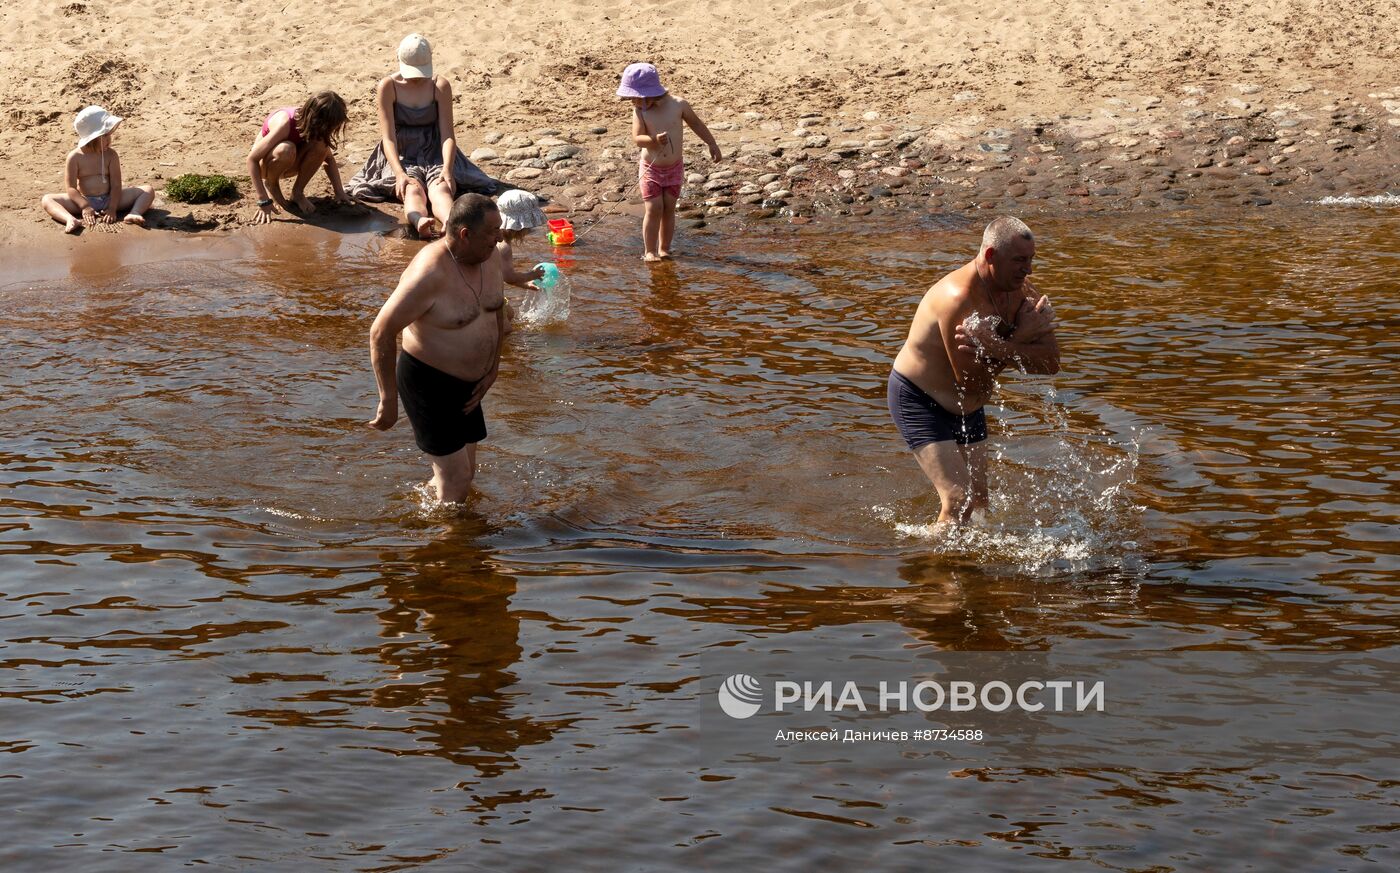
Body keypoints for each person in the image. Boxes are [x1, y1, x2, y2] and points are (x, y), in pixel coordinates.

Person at [889, 217, 1060, 525]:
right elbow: (971, 382)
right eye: (1020, 260)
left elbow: (1050, 363)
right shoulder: (959, 299)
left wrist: (998, 346)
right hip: (919, 398)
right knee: (957, 501)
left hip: (969, 407)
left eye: (1031, 259)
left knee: (979, 502)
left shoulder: (1021, 290)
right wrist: (1018, 339)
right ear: (991, 256)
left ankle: (972, 566)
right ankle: (932, 567)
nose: (1029, 270)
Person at [369, 193, 507, 504]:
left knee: (466, 473)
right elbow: (381, 331)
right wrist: (387, 400)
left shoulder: (490, 256)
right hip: (429, 382)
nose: (499, 237)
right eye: (492, 232)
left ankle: (424, 508)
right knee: (457, 480)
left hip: (470, 386)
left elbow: (497, 309)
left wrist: (493, 368)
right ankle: (447, 548)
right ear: (465, 235)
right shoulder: (429, 274)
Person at [348, 33, 504, 239]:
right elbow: (388, 138)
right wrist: (399, 173)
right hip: (402, 150)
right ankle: (418, 220)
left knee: (440, 188)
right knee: (411, 189)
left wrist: (448, 170)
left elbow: (448, 134)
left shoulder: (440, 85)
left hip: (435, 149)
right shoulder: (388, 86)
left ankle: (450, 222)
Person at [616, 62, 722, 261]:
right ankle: (649, 251)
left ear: (650, 94)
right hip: (651, 168)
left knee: (669, 208)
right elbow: (637, 138)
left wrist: (712, 143)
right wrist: (654, 140)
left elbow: (696, 123)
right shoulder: (640, 111)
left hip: (674, 167)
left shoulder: (678, 105)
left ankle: (664, 248)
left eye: (635, 97)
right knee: (654, 208)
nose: (632, 101)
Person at [41, 105, 154, 233]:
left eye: (109, 135)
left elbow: (116, 185)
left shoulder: (111, 155)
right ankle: (69, 219)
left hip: (111, 199)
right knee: (47, 200)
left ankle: (134, 213)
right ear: (93, 137)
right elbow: (71, 188)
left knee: (148, 190)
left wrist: (112, 207)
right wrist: (85, 206)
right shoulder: (75, 157)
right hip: (84, 200)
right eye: (105, 136)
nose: (109, 140)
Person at [246, 91, 354, 224]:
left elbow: (329, 159)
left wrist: (339, 192)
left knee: (321, 146)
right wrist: (263, 200)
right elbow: (252, 159)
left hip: (291, 161)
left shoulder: (314, 126)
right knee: (286, 148)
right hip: (267, 165)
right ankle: (272, 185)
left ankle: (297, 193)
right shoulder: (284, 124)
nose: (330, 131)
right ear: (317, 119)